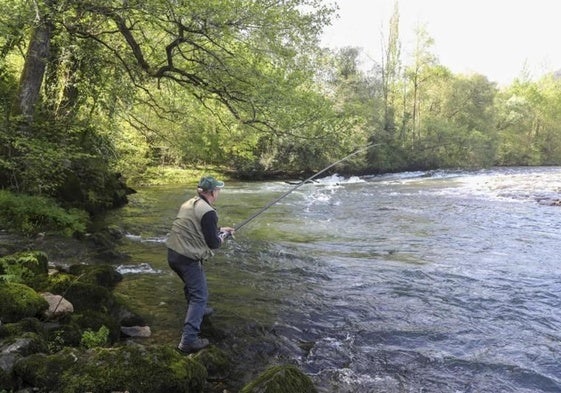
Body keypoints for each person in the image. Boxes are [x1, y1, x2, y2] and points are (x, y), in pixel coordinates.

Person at [166, 176, 235, 354]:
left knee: (193, 288)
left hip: (173, 254)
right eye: (218, 190)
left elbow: (197, 228)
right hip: (187, 258)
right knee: (200, 296)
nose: (219, 192)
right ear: (212, 192)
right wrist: (224, 236)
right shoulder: (209, 212)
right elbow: (213, 243)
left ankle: (199, 312)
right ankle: (188, 341)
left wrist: (221, 229)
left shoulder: (190, 203)